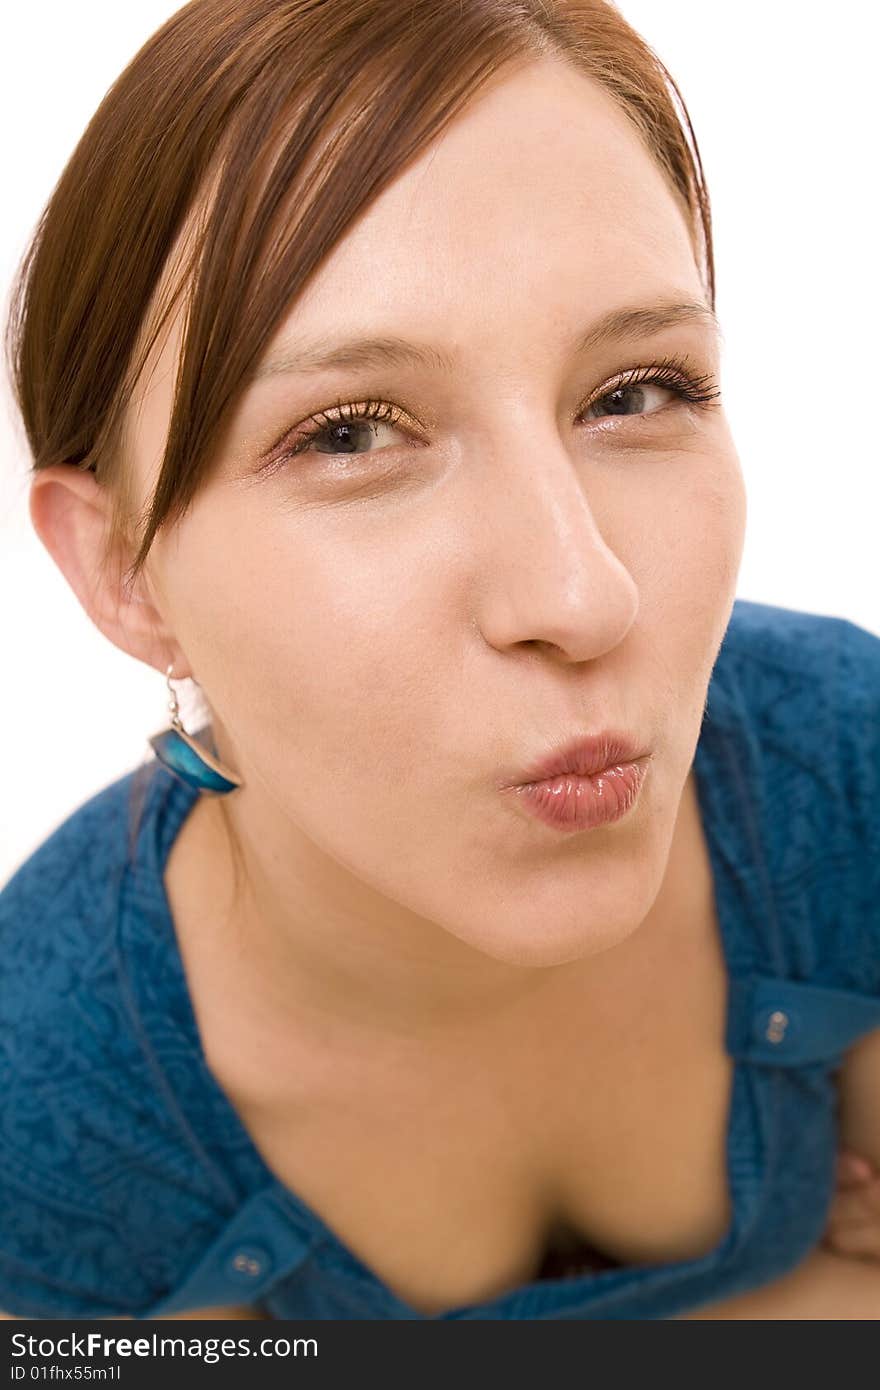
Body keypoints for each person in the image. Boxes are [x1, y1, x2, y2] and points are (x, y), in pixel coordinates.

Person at [2, 0, 879, 1322]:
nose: (583, 594)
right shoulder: (48, 1102)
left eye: (638, 390)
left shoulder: (842, 767)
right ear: (125, 569)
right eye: (352, 434)